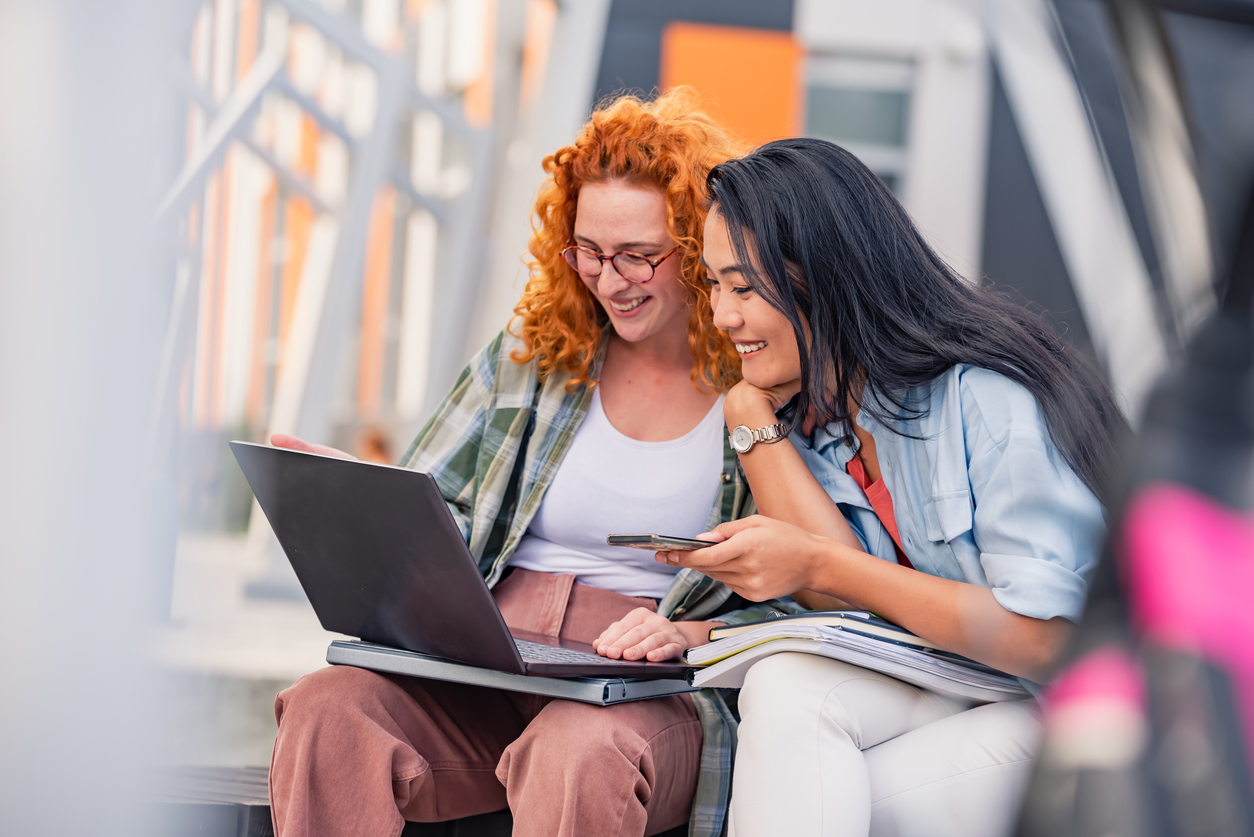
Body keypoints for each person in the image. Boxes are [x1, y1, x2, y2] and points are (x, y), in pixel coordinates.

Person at [267, 91, 786, 837]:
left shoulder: (760, 380)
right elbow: (429, 508)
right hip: (489, 653)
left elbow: (811, 592)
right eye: (590, 252)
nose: (611, 280)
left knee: (576, 752)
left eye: (640, 254)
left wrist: (697, 638)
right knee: (329, 707)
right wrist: (355, 500)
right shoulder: (533, 354)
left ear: (700, 244)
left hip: (646, 685)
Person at [660, 137, 1126, 837]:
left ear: (824, 274)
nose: (723, 316)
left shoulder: (985, 399)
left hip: (1079, 718)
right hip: (957, 691)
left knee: (819, 800)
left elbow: (1047, 639)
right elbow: (840, 597)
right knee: (784, 688)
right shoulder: (824, 426)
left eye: (745, 287)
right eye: (715, 285)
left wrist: (820, 562)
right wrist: (745, 413)